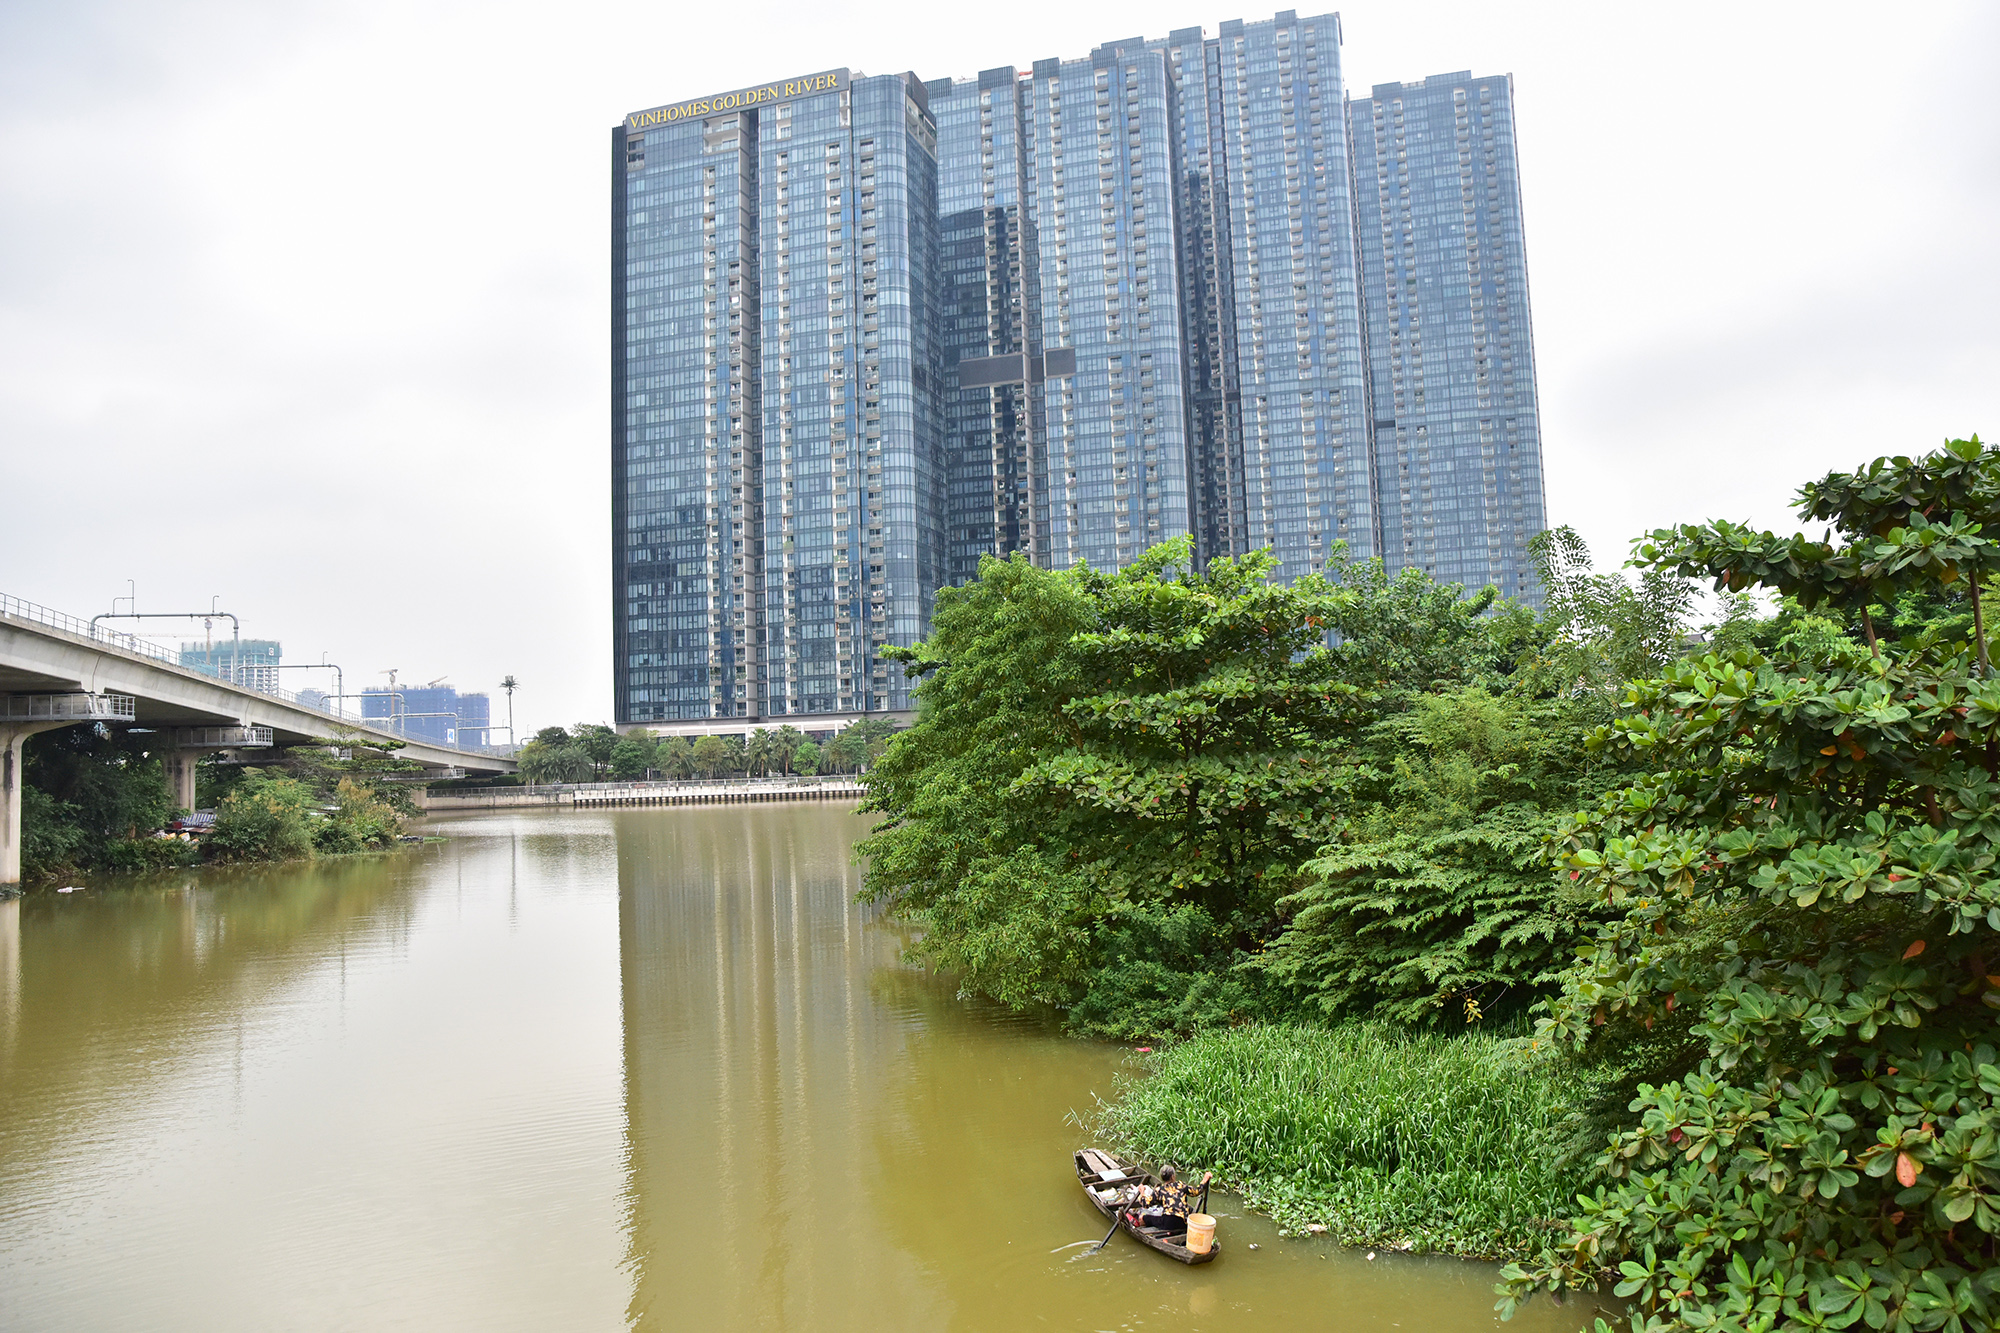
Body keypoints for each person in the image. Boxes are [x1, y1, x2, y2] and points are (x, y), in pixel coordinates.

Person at [1126, 1166, 1212, 1236]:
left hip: (1168, 1223)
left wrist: (1142, 1192)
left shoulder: (1159, 1190)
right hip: (1183, 1222)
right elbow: (1197, 1191)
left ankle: (1150, 1234)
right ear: (1173, 1177)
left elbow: (1145, 1204)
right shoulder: (1180, 1185)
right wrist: (1205, 1179)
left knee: (1143, 1218)